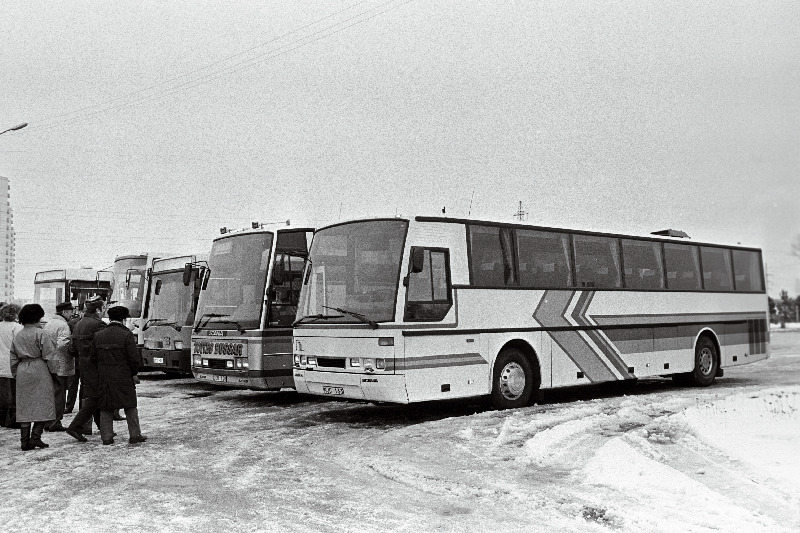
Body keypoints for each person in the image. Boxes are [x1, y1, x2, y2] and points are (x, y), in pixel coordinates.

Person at [93, 305, 146, 445]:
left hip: (104, 375)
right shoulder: (126, 335)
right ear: (123, 319)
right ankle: (135, 435)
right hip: (123, 374)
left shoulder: (99, 335)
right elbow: (133, 358)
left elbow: (93, 357)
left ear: (109, 318)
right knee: (130, 406)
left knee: (106, 406)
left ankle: (107, 437)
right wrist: (134, 373)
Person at [9, 304, 58, 450]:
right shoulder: (41, 334)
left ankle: (24, 441)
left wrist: (15, 373)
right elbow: (50, 355)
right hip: (39, 368)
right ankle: (35, 437)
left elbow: (12, 357)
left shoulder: (19, 334)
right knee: (42, 403)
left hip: (23, 369)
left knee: (24, 406)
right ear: (37, 317)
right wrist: (54, 372)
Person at [65, 296, 107, 442]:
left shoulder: (78, 324)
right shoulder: (98, 325)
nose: (103, 312)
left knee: (93, 396)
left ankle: (103, 428)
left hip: (83, 365)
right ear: (97, 310)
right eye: (103, 309)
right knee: (95, 398)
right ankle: (75, 426)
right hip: (96, 366)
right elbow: (103, 347)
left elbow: (71, 349)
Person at [43, 301, 76, 432]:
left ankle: (47, 421)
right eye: (70, 311)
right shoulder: (63, 325)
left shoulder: (49, 323)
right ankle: (55, 422)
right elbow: (63, 344)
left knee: (52, 393)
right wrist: (72, 352)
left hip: (50, 362)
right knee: (60, 394)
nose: (72, 314)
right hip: (61, 363)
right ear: (64, 312)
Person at [0, 303, 23, 428]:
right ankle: (13, 420)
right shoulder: (17, 328)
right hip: (12, 364)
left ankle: (2, 419)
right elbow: (19, 346)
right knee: (14, 394)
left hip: (0, 365)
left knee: (2, 395)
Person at [64, 308, 82, 413]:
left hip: (75, 358)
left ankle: (69, 406)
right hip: (80, 358)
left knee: (72, 384)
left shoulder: (72, 323)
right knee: (78, 384)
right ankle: (80, 407)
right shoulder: (73, 323)